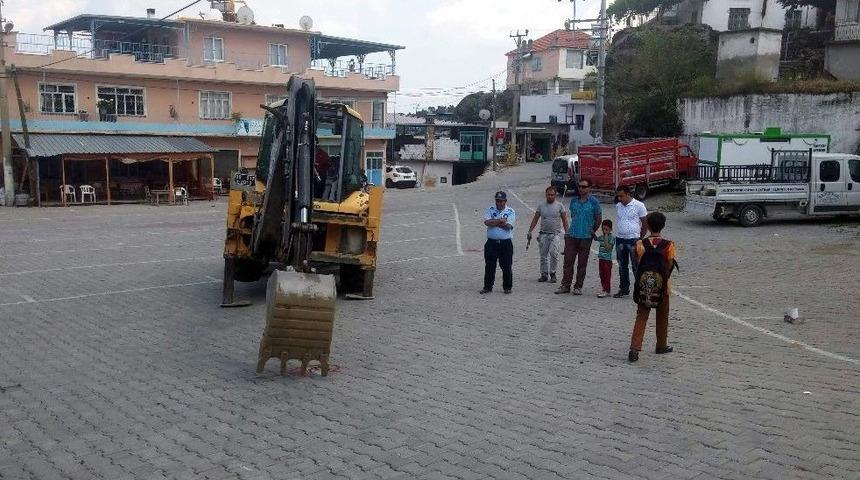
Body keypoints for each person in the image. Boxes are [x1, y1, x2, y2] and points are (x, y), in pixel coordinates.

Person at [628, 212, 676, 362]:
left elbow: (637, 262)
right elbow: (669, 264)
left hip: (644, 286)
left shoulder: (640, 244)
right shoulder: (669, 245)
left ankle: (635, 348)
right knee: (663, 315)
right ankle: (661, 344)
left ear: (647, 225)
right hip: (663, 286)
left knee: (641, 316)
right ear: (663, 226)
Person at [555, 179, 601, 295]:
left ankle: (578, 286)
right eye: (580, 186)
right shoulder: (574, 201)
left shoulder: (594, 202)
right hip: (572, 235)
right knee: (568, 262)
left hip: (586, 237)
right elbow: (573, 215)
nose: (581, 189)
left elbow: (598, 219)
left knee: (582, 263)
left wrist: (592, 230)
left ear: (589, 188)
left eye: (584, 187)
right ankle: (565, 285)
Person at [527, 186, 570, 283]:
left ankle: (553, 273)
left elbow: (565, 220)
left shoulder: (560, 206)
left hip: (555, 234)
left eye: (552, 195)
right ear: (545, 195)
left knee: (554, 253)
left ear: (555, 195)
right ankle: (544, 274)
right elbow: (535, 218)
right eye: (548, 195)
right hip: (543, 234)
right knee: (543, 255)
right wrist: (530, 231)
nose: (550, 196)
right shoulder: (541, 206)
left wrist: (567, 233)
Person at [613, 185, 648, 298]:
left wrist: (640, 238)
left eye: (621, 196)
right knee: (621, 265)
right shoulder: (618, 206)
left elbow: (644, 223)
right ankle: (624, 288)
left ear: (628, 194)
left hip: (634, 239)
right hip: (620, 238)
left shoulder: (639, 205)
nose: (619, 198)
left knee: (636, 266)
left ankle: (639, 289)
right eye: (618, 196)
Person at [481, 191, 516, 294]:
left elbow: (509, 226)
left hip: (505, 243)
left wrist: (494, 222)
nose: (499, 203)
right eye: (497, 200)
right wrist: (500, 221)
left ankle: (507, 287)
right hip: (491, 243)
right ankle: (487, 287)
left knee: (506, 266)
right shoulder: (490, 209)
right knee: (489, 265)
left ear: (505, 201)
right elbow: (486, 222)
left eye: (501, 201)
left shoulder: (510, 211)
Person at [593, 219, 615, 298]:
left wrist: (606, 236)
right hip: (601, 259)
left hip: (607, 260)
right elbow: (596, 239)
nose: (604, 231)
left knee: (607, 275)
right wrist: (593, 233)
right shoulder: (601, 237)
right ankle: (604, 289)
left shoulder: (611, 238)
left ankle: (607, 290)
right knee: (602, 274)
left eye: (606, 229)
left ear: (610, 230)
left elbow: (608, 248)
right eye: (603, 229)